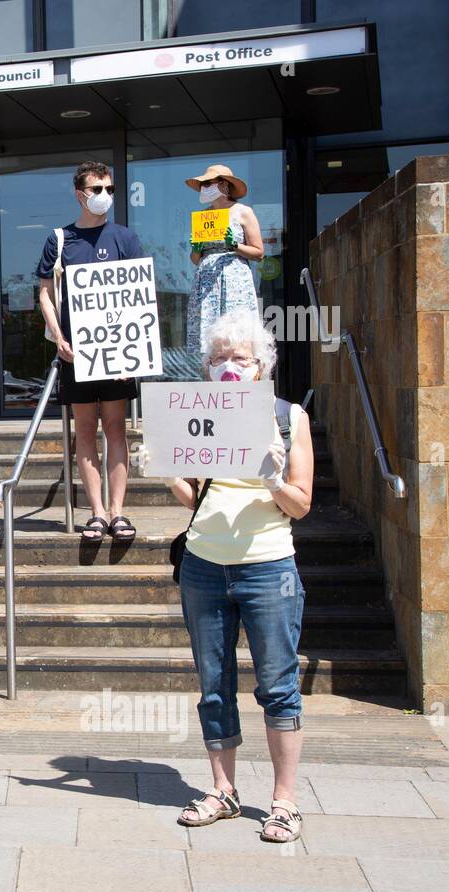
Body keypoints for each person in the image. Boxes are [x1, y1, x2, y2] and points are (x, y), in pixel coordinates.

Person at [141, 311, 313, 843]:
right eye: (218, 358)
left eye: (240, 358)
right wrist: (169, 473)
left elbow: (302, 505)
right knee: (213, 687)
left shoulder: (288, 418)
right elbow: (197, 499)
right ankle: (223, 790)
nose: (228, 367)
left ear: (261, 365)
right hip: (204, 567)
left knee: (279, 686)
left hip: (268, 567)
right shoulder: (201, 416)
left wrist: (272, 477)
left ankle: (284, 802)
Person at [36, 161, 144, 542]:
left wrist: (135, 351)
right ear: (80, 193)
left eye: (110, 190)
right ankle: (96, 513)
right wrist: (57, 333)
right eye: (97, 189)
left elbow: (139, 296)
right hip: (75, 354)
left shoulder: (125, 239)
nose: (104, 197)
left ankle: (118, 512)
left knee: (116, 428)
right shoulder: (60, 239)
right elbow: (46, 292)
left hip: (117, 354)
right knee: (84, 430)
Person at [184, 164, 265, 378]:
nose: (205, 188)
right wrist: (196, 249)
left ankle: (243, 375)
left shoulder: (243, 212)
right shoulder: (203, 216)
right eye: (203, 184)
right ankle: (210, 377)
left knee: (238, 331)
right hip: (207, 281)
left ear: (224, 185)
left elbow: (259, 252)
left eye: (209, 183)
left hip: (234, 276)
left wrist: (235, 246)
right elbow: (195, 259)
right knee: (209, 335)